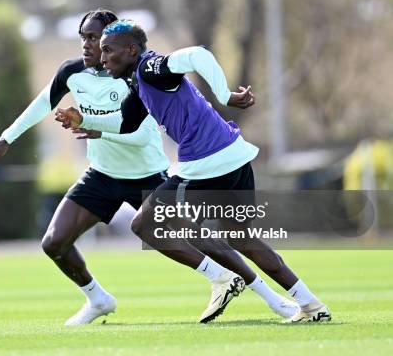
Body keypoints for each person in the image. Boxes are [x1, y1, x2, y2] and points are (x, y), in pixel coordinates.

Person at [55, 19, 331, 323]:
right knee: (240, 238)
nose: (103, 57)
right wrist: (85, 120)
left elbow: (198, 55)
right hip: (234, 155)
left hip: (207, 163)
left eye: (109, 50)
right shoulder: (138, 82)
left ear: (132, 50)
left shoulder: (150, 68)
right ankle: (311, 305)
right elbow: (124, 122)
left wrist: (225, 95)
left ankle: (222, 280)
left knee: (145, 225)